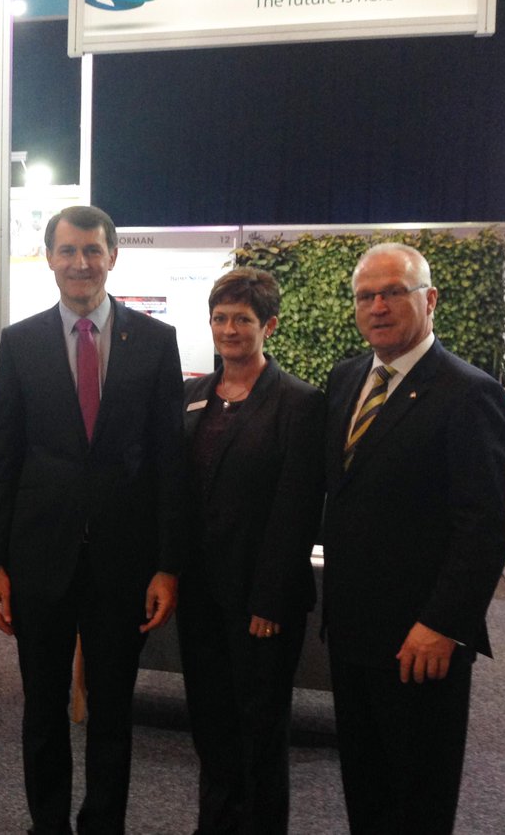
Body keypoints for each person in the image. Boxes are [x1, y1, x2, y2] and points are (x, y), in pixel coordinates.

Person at [0, 204, 186, 834]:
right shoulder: (20, 343)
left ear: (113, 256)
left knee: (111, 711)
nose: (80, 263)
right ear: (49, 259)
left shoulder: (155, 342)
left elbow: (168, 464)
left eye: (92, 250)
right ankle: (48, 825)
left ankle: (103, 824)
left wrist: (167, 564)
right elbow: (4, 459)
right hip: (40, 560)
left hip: (123, 566)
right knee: (43, 708)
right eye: (67, 251)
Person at [322, 243, 505, 834]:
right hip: (352, 630)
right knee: (365, 784)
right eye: (365, 295)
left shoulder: (469, 393)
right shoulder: (347, 378)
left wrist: (445, 624)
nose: (378, 306)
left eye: (393, 292)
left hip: (421, 639)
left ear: (429, 299)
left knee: (418, 794)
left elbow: (484, 524)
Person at [176, 268, 325, 834]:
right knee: (210, 724)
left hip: (262, 604)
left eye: (243, 318)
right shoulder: (194, 395)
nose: (229, 329)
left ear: (270, 325)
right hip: (201, 597)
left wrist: (270, 599)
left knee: (259, 731)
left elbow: (297, 511)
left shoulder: (299, 403)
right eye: (220, 318)